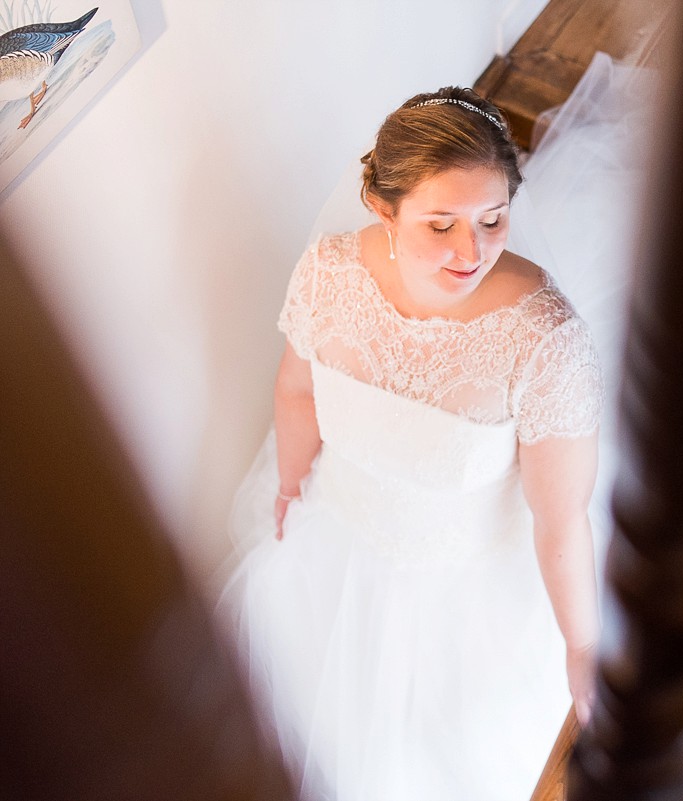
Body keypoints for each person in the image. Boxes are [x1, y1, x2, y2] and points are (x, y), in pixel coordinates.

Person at [219, 86, 603, 801]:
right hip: (339, 540)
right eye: (442, 224)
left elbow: (559, 518)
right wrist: (288, 484)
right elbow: (298, 392)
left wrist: (581, 646)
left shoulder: (547, 342)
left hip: (467, 594)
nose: (473, 250)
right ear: (383, 208)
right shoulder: (328, 275)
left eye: (493, 218)